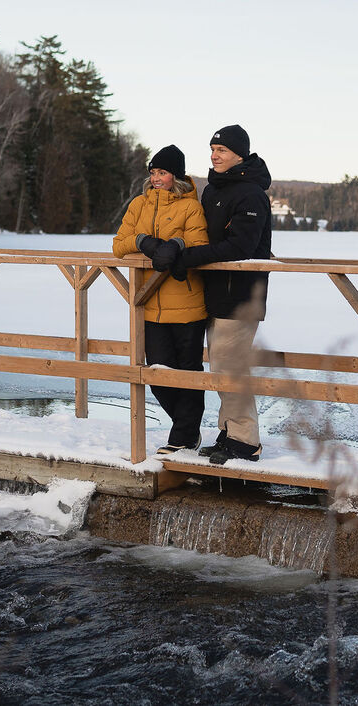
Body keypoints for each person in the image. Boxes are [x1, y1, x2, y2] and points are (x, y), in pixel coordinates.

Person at [170, 125, 273, 465]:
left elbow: (241, 246)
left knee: (231, 369)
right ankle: (229, 433)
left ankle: (246, 441)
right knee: (220, 368)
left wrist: (190, 258)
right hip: (215, 292)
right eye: (212, 149)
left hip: (241, 296)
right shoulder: (216, 190)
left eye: (222, 151)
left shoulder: (250, 194)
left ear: (239, 154)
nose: (214, 155)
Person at [112, 145, 210, 454]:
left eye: (163, 173)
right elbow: (118, 245)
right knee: (157, 374)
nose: (156, 178)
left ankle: (181, 437)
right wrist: (145, 242)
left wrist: (176, 244)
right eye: (153, 172)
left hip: (188, 303)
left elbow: (199, 243)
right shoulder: (138, 205)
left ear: (176, 176)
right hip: (149, 303)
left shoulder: (191, 207)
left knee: (188, 372)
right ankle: (187, 428)